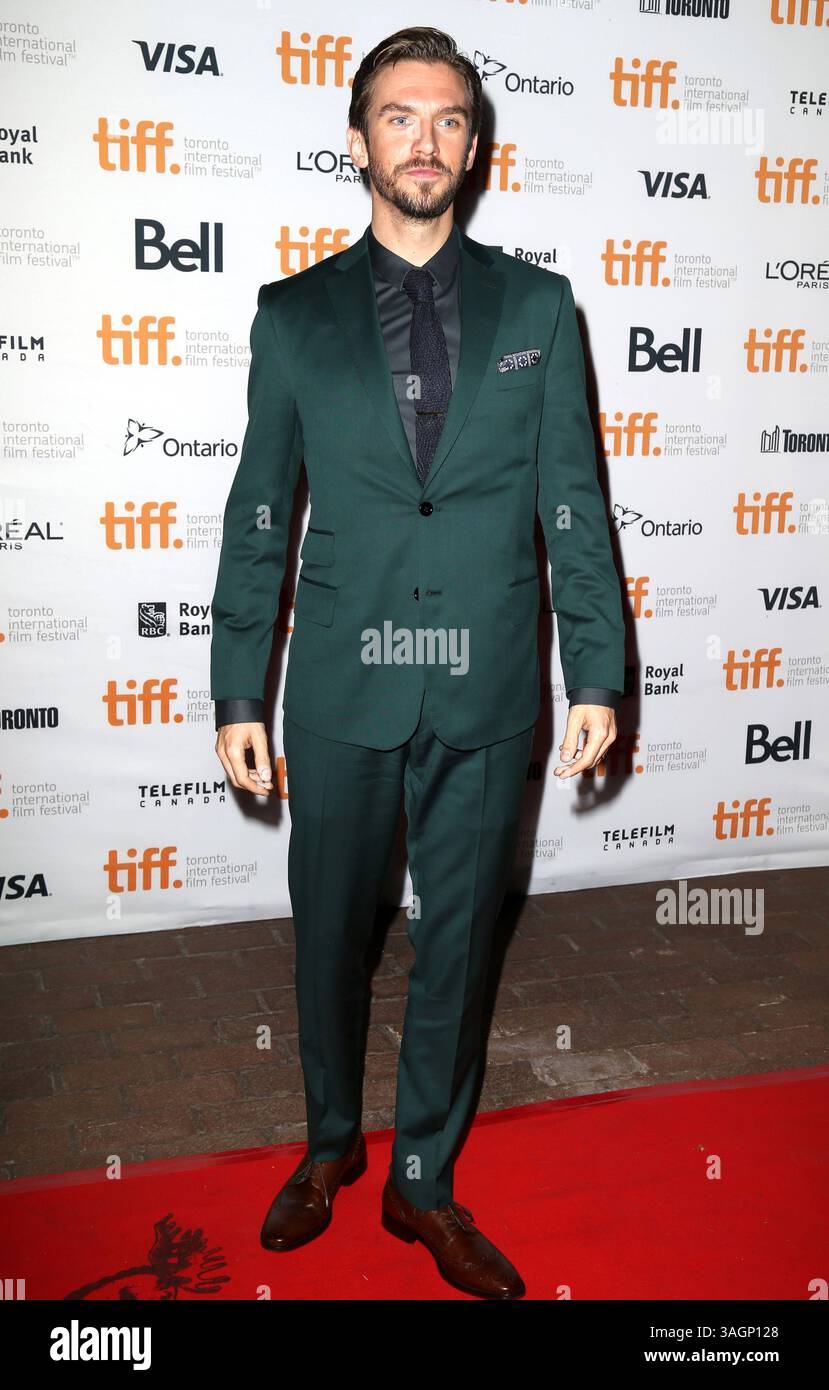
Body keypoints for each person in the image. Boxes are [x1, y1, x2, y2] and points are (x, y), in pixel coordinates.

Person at [210, 26, 624, 1300]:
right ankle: (333, 1143)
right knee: (329, 933)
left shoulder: (539, 307)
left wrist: (596, 673)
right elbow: (260, 511)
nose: (425, 141)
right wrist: (239, 686)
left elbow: (574, 502)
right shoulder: (292, 316)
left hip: (490, 678)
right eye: (400, 117)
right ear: (358, 142)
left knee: (458, 941)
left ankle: (423, 1179)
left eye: (447, 119)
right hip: (342, 674)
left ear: (474, 143)